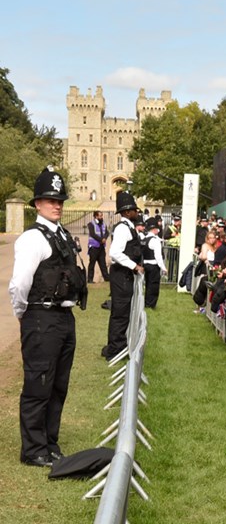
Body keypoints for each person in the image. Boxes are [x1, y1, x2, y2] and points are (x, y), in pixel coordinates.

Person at [8, 167, 85, 467]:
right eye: (50, 200)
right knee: (38, 383)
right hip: (41, 316)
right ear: (37, 203)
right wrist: (22, 314)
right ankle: (33, 449)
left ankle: (50, 442)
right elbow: (19, 285)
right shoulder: (32, 239)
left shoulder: (62, 235)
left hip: (64, 318)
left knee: (58, 385)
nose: (57, 205)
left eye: (60, 200)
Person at [102, 192, 144, 360]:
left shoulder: (129, 228)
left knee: (123, 313)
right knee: (120, 313)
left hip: (125, 275)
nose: (137, 213)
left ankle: (118, 345)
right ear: (127, 212)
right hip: (121, 275)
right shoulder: (122, 229)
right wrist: (135, 266)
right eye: (134, 210)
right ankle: (115, 349)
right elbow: (114, 253)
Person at [141, 217, 167, 309]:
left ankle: (146, 302)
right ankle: (151, 304)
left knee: (148, 284)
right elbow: (158, 257)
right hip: (153, 265)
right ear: (155, 229)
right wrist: (163, 267)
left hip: (145, 264)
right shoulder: (155, 241)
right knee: (154, 285)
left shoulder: (144, 239)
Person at [86, 210, 109, 283]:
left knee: (103, 264)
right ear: (96, 216)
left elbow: (107, 232)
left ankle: (106, 278)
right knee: (92, 264)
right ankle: (90, 279)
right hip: (94, 247)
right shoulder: (91, 224)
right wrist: (100, 240)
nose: (101, 217)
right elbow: (92, 234)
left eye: (102, 215)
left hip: (101, 247)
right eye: (100, 215)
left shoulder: (103, 224)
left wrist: (105, 238)